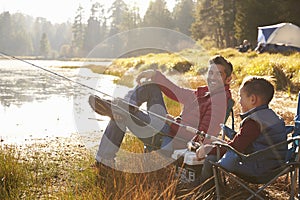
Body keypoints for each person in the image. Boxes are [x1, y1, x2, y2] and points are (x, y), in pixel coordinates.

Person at [89, 55, 233, 166]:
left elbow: (202, 137)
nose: (213, 77)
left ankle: (104, 159)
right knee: (151, 87)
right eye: (211, 73)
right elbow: (177, 92)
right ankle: (124, 106)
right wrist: (155, 75)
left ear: (227, 79)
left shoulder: (219, 103)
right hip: (169, 129)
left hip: (174, 139)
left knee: (122, 114)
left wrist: (171, 123)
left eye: (218, 74)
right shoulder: (203, 94)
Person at [194, 76, 287, 191]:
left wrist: (208, 150)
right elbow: (244, 142)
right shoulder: (272, 116)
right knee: (219, 149)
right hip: (275, 166)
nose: (239, 101)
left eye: (241, 97)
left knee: (211, 159)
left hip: (258, 169)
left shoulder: (253, 122)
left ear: (252, 99)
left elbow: (236, 148)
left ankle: (204, 190)